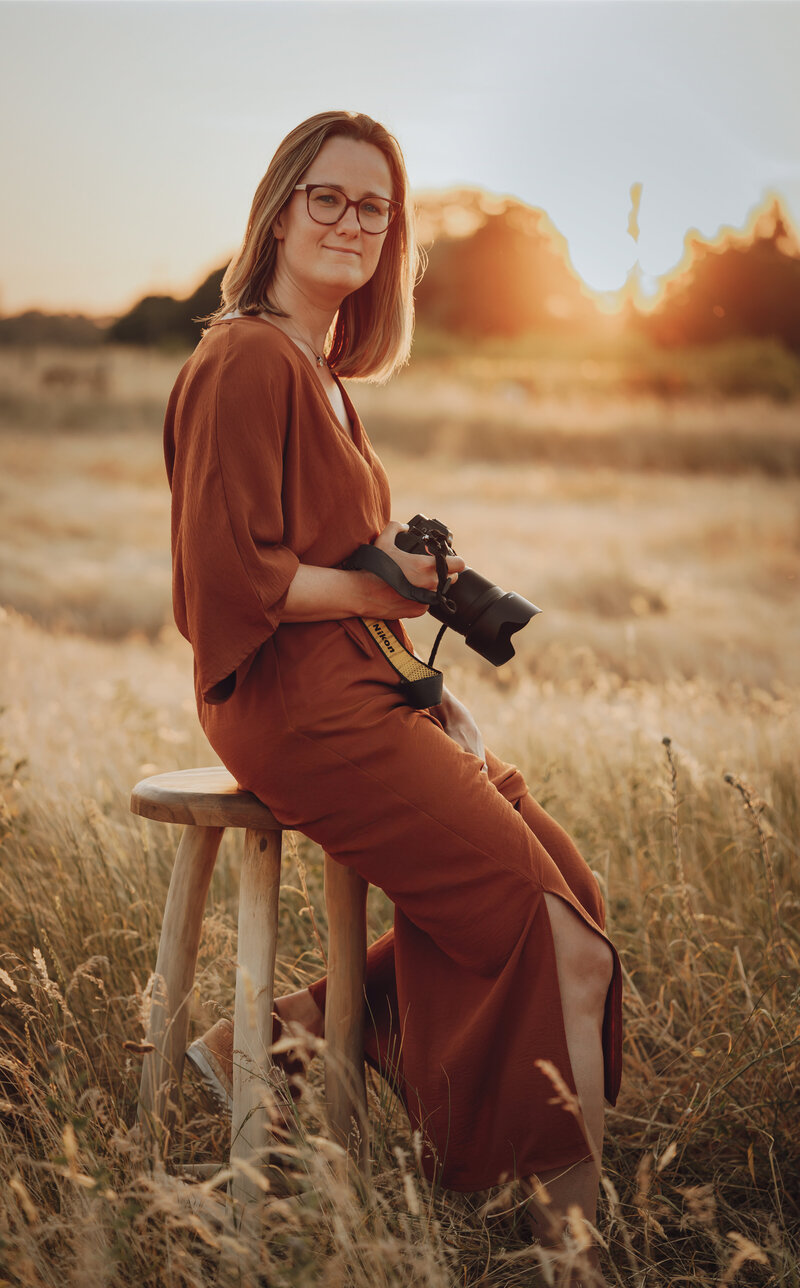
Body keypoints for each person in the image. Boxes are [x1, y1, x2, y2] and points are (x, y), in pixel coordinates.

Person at [163, 109, 622, 1275]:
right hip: (292, 704)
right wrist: (385, 592)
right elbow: (231, 576)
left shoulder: (320, 372)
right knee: (550, 937)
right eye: (327, 197)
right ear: (280, 213)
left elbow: (330, 565)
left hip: (360, 686)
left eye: (374, 207)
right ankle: (572, 1253)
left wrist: (420, 670)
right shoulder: (246, 358)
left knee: (570, 891)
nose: (351, 222)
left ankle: (283, 1039)